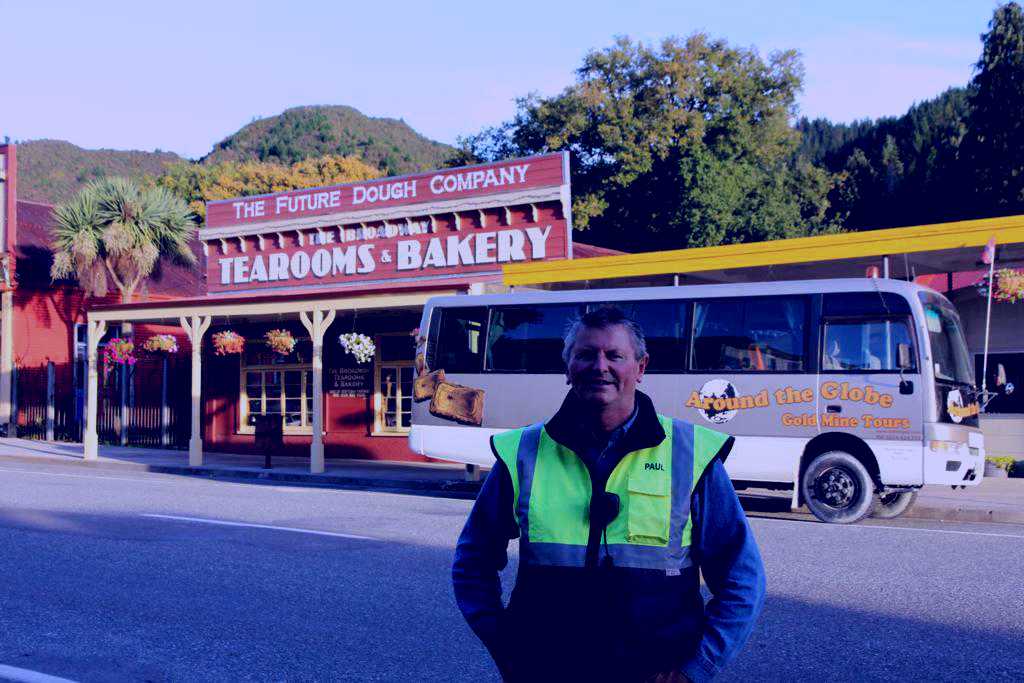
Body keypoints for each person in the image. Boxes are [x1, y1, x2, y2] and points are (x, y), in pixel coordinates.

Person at [452, 306, 765, 682]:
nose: (600, 365)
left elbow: (742, 579)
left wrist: (695, 670)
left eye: (615, 355)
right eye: (585, 354)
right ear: (568, 366)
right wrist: (503, 643)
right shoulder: (524, 452)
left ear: (641, 367)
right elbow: (473, 561)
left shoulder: (690, 453)